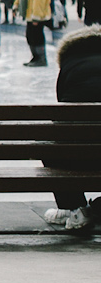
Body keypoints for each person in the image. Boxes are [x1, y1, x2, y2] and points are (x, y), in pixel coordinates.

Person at [44, 20, 101, 230]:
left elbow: (63, 112)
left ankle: (75, 208)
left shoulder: (69, 65)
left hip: (77, 157)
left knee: (48, 141)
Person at [20, 0, 54, 67]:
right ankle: (35, 57)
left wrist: (36, 17)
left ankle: (41, 58)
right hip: (30, 15)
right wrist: (16, 5)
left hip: (37, 16)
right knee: (30, 36)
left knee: (37, 36)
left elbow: (39, 1)